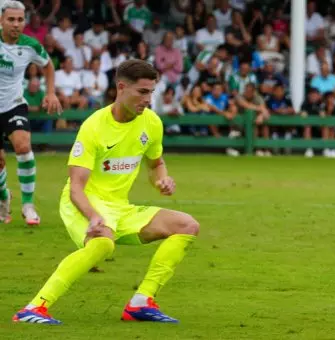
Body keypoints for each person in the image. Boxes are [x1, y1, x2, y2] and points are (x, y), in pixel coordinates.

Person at [12, 60, 200, 324]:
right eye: (142, 92)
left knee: (186, 225)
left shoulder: (152, 123)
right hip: (82, 203)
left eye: (151, 92)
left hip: (119, 207)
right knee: (102, 243)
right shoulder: (94, 127)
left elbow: (156, 164)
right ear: (121, 88)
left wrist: (162, 180)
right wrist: (92, 215)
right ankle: (34, 308)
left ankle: (141, 302)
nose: (148, 99)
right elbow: (76, 188)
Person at [0, 1, 62, 225]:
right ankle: (4, 196)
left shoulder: (30, 46)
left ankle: (28, 205)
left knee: (23, 146)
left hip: (13, 104)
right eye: (11, 19)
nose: (16, 24)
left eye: (20, 19)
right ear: (1, 21)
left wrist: (51, 92)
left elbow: (48, 66)